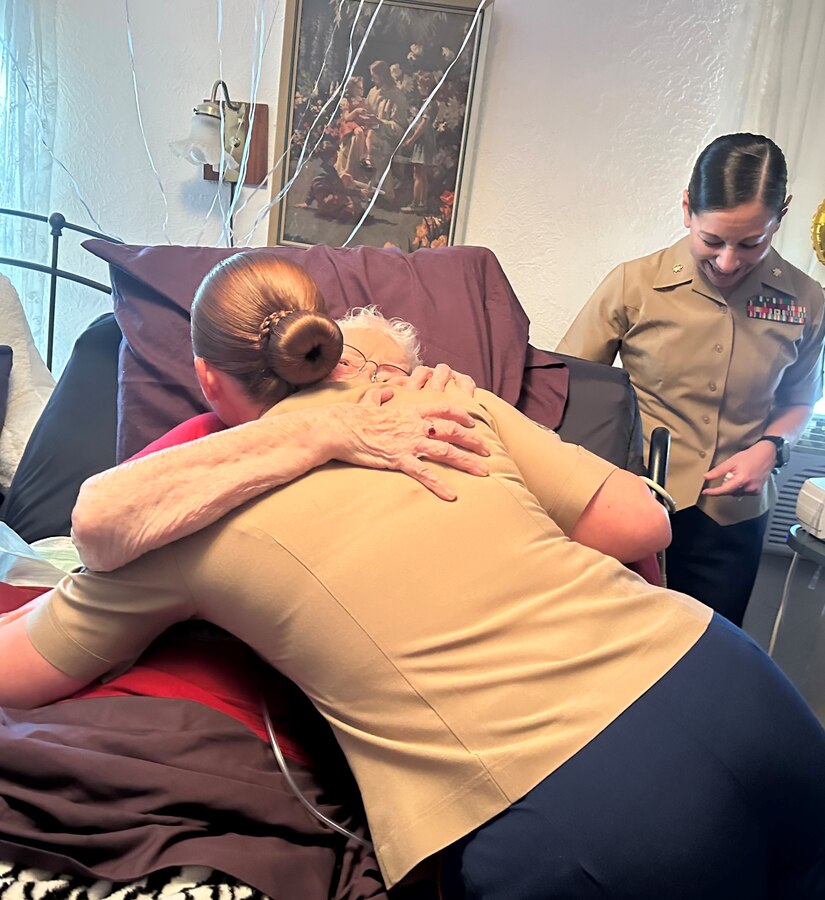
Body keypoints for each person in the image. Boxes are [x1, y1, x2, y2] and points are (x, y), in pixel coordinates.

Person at [3, 253, 824, 899]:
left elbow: (22, 669)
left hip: (573, 804)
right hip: (737, 686)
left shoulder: (181, 510)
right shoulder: (440, 400)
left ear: (208, 382)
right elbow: (639, 521)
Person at [556, 133, 825, 626]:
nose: (727, 262)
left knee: (709, 655)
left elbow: (800, 402)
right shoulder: (633, 284)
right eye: (712, 240)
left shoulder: (807, 301)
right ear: (686, 208)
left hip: (735, 521)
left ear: (780, 217)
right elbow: (566, 388)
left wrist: (769, 448)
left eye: (751, 243)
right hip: (633, 507)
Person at [400, 71, 438, 214]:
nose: (418, 87)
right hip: (426, 138)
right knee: (422, 174)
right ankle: (423, 202)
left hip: (424, 139)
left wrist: (411, 140)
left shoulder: (429, 104)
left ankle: (416, 203)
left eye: (421, 85)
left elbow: (423, 125)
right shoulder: (430, 103)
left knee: (418, 173)